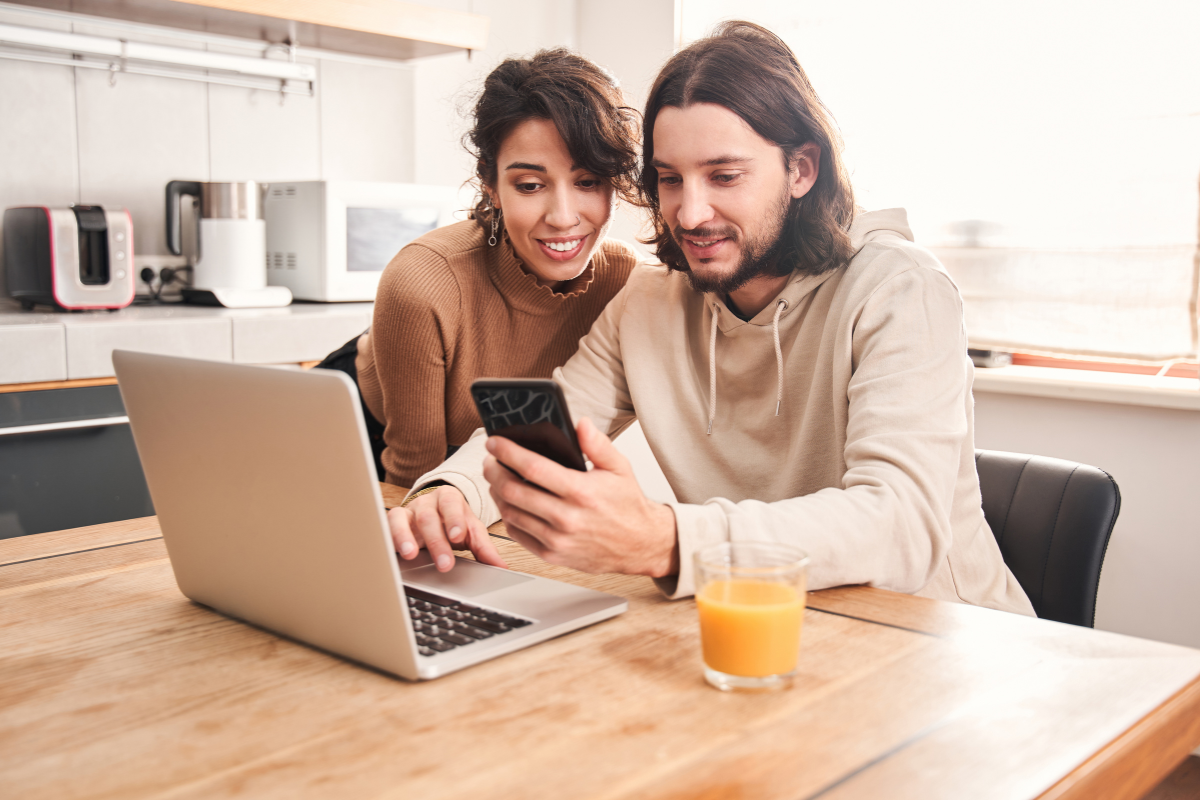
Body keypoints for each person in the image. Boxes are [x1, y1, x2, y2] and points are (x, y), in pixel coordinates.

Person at [392, 22, 1033, 616]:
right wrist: (448, 491)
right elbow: (544, 425)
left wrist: (664, 541)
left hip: (939, 642)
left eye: (724, 176)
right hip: (759, 622)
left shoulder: (899, 290)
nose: (691, 213)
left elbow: (898, 528)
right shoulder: (651, 303)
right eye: (670, 179)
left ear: (801, 169)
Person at [316, 48, 642, 528]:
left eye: (588, 181)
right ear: (490, 185)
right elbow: (412, 476)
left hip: (476, 462)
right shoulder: (425, 281)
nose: (563, 217)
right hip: (360, 434)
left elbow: (548, 446)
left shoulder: (623, 281)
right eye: (530, 185)